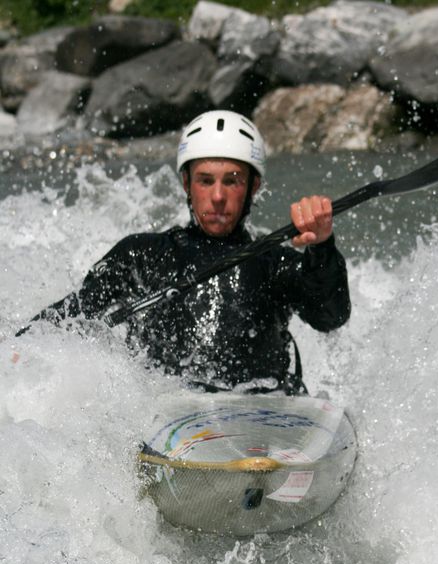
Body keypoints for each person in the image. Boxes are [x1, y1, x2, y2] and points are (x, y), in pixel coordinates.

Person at [18, 110, 351, 394]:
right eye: (205, 181)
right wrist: (20, 347)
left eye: (232, 181)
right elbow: (76, 311)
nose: (218, 196)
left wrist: (322, 246)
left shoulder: (274, 262)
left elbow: (330, 316)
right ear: (186, 184)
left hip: (261, 412)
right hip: (170, 415)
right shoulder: (140, 255)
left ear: (253, 186)